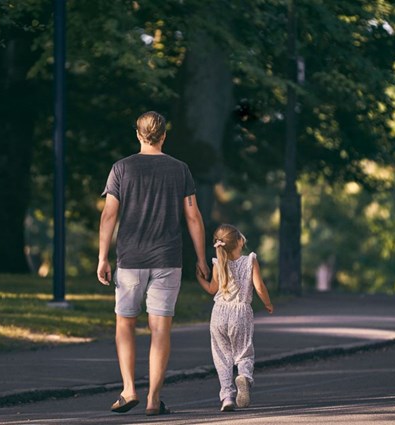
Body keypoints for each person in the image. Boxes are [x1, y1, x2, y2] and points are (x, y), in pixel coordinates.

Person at [97, 111, 209, 416]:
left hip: (130, 259)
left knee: (125, 322)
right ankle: (153, 400)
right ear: (163, 136)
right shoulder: (180, 170)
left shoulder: (121, 169)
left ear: (138, 134)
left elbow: (109, 215)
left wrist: (102, 256)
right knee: (160, 328)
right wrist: (201, 258)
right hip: (167, 259)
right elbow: (193, 216)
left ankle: (129, 388)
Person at [195, 223, 274, 412]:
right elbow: (259, 286)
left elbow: (212, 289)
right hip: (241, 313)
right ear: (239, 241)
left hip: (219, 314)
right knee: (244, 351)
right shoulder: (250, 261)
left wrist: (200, 279)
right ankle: (244, 377)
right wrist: (268, 303)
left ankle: (227, 397)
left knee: (222, 357)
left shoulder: (218, 263)